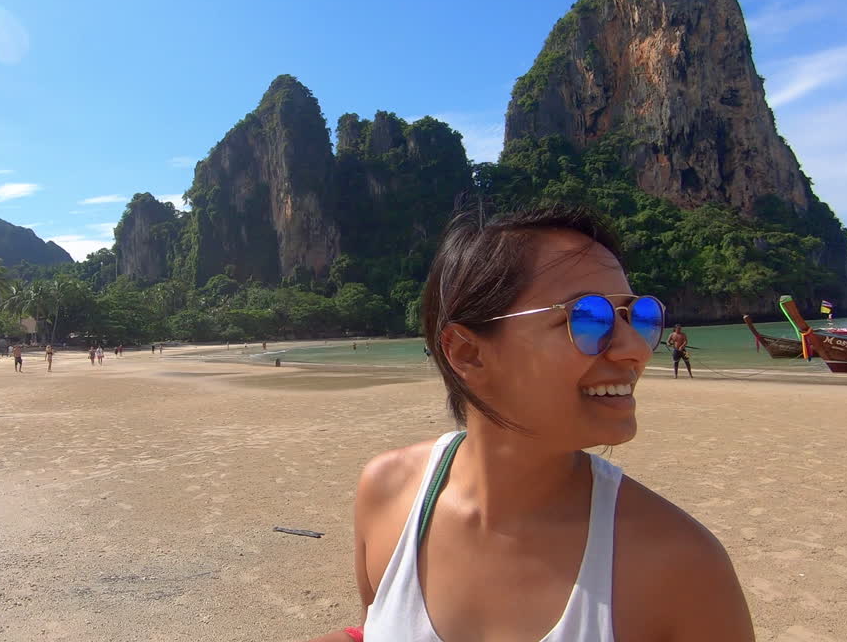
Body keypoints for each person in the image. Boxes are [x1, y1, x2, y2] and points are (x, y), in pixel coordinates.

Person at [307, 205, 752, 642]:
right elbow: (377, 626)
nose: (635, 348)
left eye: (639, 317)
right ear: (467, 352)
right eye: (588, 317)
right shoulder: (388, 493)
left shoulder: (681, 564)